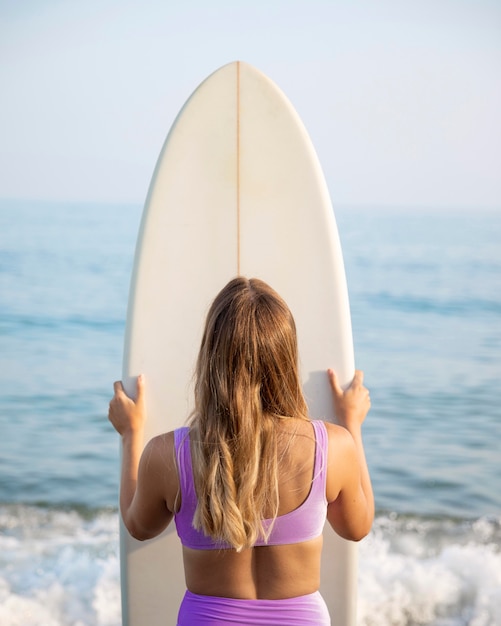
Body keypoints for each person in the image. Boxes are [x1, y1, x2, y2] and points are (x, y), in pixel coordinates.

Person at [108, 276, 374, 626]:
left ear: (210, 358)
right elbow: (358, 526)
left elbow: (138, 525)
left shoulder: (167, 455)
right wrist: (352, 424)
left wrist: (131, 434)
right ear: (286, 358)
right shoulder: (332, 447)